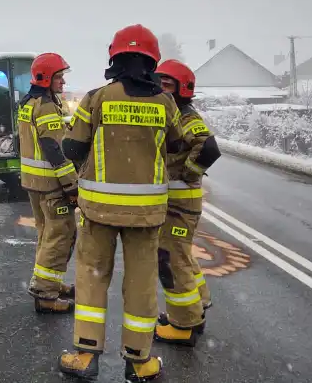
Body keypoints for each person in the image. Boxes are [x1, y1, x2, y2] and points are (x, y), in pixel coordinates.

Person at [58, 24, 185, 382]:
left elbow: (71, 147)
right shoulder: (165, 103)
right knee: (142, 283)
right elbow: (176, 145)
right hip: (146, 216)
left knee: (91, 276)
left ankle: (85, 355)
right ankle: (139, 360)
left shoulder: (98, 98)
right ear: (152, 60)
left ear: (114, 56)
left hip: (97, 211)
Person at [153, 59, 221, 346]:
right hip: (180, 203)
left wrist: (188, 173)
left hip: (181, 203)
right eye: (160, 84)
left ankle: (184, 324)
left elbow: (209, 148)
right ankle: (198, 305)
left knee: (170, 260)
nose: (162, 89)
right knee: (183, 256)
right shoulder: (174, 113)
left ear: (183, 89)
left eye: (167, 85)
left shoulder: (185, 116)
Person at [17, 52, 80, 314]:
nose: (63, 82)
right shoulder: (44, 106)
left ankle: (50, 282)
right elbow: (54, 148)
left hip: (34, 182)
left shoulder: (28, 101)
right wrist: (71, 185)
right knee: (60, 235)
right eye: (59, 77)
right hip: (51, 184)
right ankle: (45, 294)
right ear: (45, 78)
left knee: (46, 234)